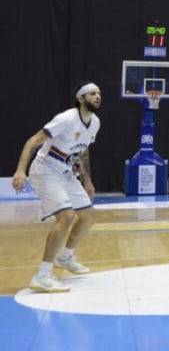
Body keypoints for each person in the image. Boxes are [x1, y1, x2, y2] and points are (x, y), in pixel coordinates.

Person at [11, 82, 103, 293]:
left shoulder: (95, 123)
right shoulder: (66, 119)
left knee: (88, 216)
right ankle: (42, 275)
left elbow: (83, 152)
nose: (98, 96)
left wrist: (87, 181)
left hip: (66, 173)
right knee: (67, 217)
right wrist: (20, 171)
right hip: (45, 170)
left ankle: (65, 257)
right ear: (81, 99)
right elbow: (32, 141)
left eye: (99, 94)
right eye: (92, 94)